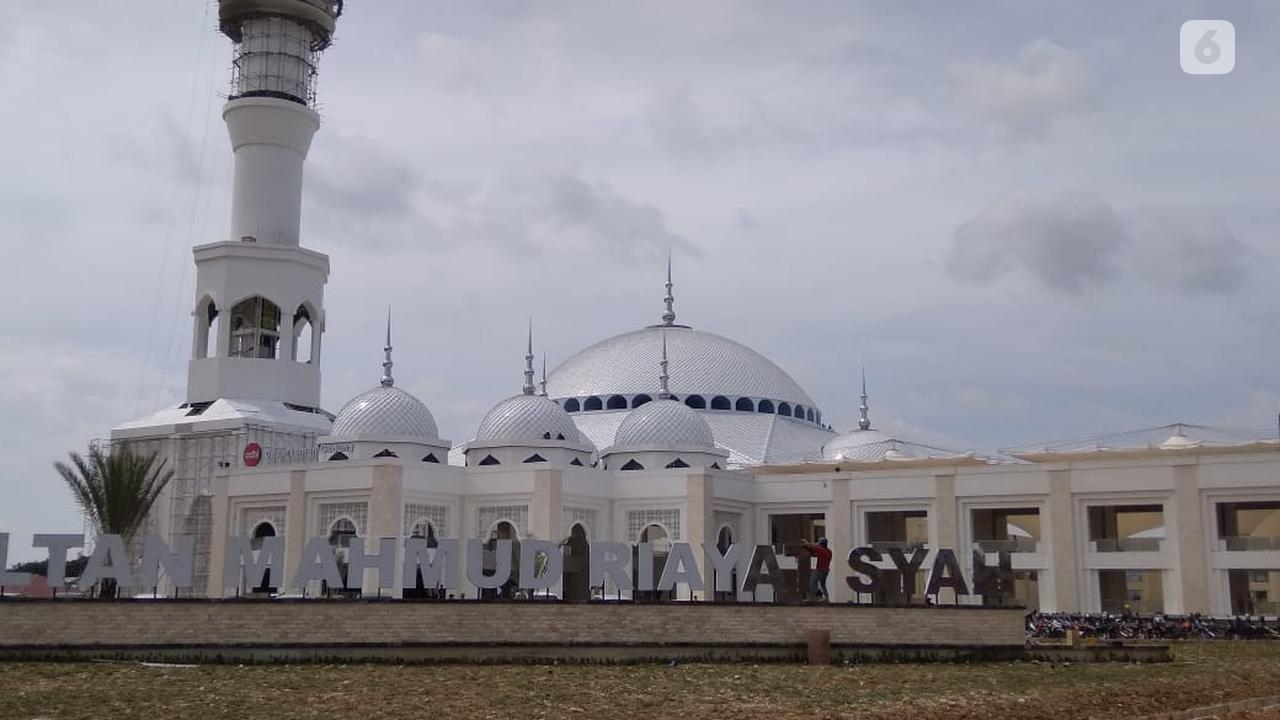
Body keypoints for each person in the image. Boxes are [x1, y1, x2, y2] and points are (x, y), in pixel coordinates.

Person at [802, 538, 833, 602]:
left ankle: (812, 597)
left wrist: (805, 542)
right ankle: (826, 597)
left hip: (820, 570)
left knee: (812, 582)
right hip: (826, 570)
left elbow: (811, 547)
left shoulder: (820, 550)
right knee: (822, 584)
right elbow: (812, 549)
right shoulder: (829, 551)